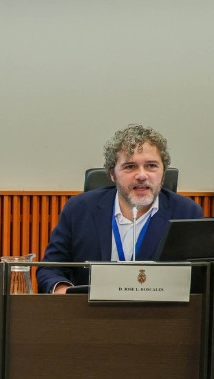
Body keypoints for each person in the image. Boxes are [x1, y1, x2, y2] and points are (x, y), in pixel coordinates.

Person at [37, 124, 204, 294]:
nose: (141, 175)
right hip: (91, 315)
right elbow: (50, 269)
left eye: (151, 166)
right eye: (130, 166)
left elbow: (201, 279)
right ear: (112, 174)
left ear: (163, 171)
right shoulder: (79, 209)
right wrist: (64, 293)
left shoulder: (187, 212)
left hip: (160, 316)